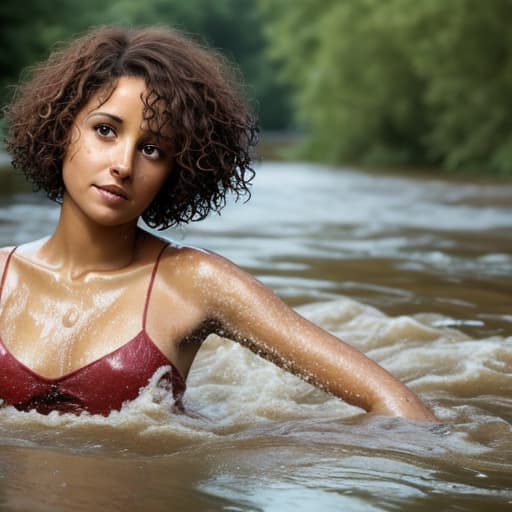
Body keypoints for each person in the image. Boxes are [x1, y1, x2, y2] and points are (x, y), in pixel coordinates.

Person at [0, 25, 436, 420]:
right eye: (106, 130)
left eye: (153, 149)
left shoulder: (195, 282)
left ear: (177, 170)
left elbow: (400, 406)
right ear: (61, 128)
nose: (124, 164)